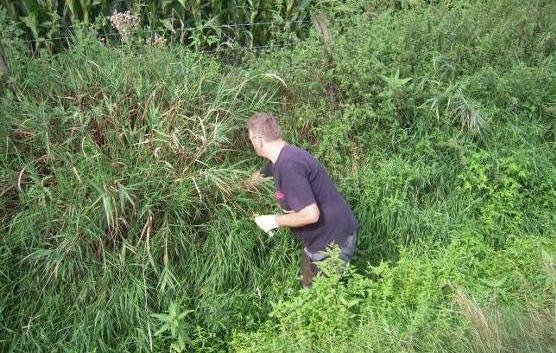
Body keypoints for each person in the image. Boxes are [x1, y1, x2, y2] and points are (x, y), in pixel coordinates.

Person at [245, 112, 357, 288]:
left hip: (332, 241)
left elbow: (310, 215)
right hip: (316, 240)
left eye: (251, 140)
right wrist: (237, 186)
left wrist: (273, 220)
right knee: (308, 284)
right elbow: (260, 175)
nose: (252, 144)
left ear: (258, 141)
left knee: (321, 299)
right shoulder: (281, 157)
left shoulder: (289, 166)